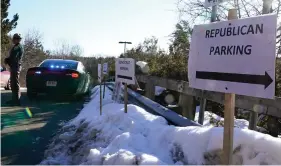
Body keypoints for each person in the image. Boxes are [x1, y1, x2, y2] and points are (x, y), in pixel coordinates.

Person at [4, 33, 24, 106]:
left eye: (15, 39)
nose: (13, 40)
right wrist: (8, 60)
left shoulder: (18, 47)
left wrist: (9, 61)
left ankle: (17, 100)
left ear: (17, 39)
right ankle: (14, 99)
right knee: (13, 83)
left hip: (16, 66)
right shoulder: (16, 46)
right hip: (13, 66)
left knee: (15, 83)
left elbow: (15, 58)